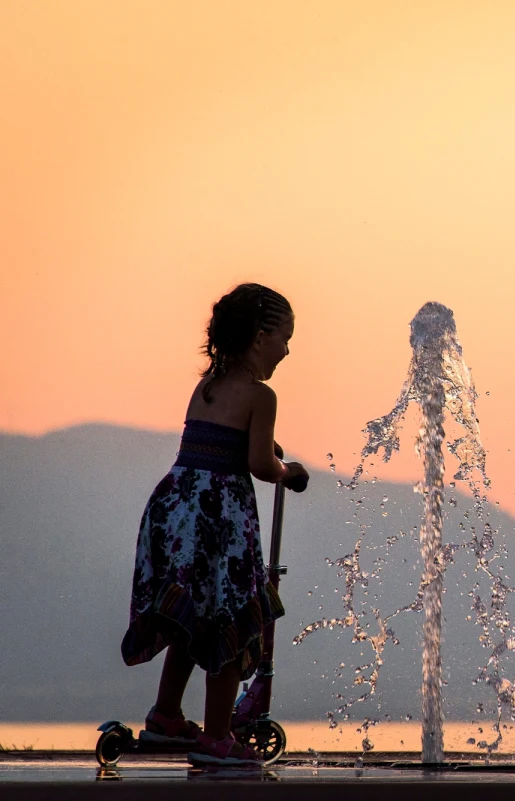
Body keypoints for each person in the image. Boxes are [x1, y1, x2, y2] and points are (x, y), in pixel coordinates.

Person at [120, 283, 309, 768]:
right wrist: (287, 471)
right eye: (285, 337)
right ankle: (218, 735)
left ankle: (165, 716)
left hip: (176, 506)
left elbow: (221, 439)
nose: (288, 349)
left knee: (191, 617)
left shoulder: (206, 386)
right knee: (231, 616)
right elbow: (259, 464)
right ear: (260, 336)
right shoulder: (261, 396)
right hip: (220, 515)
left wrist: (265, 450)